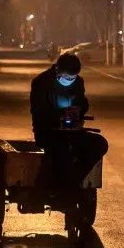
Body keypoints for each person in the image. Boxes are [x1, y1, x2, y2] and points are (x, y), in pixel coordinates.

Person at [30, 52, 108, 186]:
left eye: (73, 77)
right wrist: (58, 118)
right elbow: (38, 111)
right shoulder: (41, 83)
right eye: (67, 77)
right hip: (49, 133)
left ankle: (74, 178)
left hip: (72, 132)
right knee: (61, 149)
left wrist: (77, 115)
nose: (70, 79)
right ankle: (57, 185)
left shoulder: (78, 83)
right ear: (58, 70)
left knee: (100, 144)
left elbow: (83, 104)